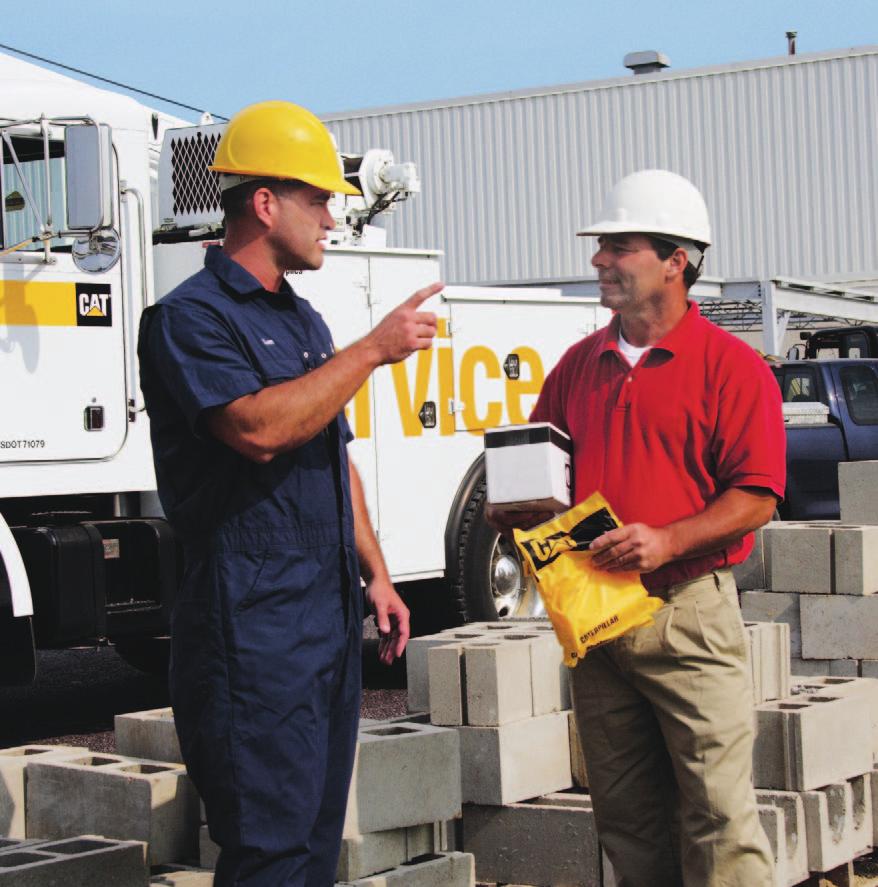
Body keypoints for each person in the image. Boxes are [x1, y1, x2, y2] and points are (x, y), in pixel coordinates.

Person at [137, 100, 441, 887]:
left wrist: (375, 570)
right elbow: (262, 429)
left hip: (322, 612)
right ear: (265, 204)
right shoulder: (186, 320)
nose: (333, 217)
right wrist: (373, 350)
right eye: (318, 199)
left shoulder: (302, 320)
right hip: (251, 625)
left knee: (311, 844)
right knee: (269, 848)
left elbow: (332, 456)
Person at [488, 169, 785, 887]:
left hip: (688, 616)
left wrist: (669, 537)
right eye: (602, 247)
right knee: (626, 817)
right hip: (594, 622)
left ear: (676, 260)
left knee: (719, 816)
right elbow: (547, 480)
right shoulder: (575, 367)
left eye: (618, 246)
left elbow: (757, 496)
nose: (599, 260)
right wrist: (520, 512)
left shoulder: (733, 368)